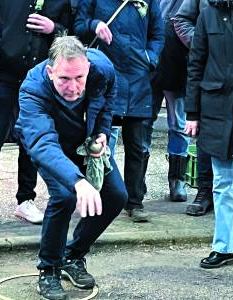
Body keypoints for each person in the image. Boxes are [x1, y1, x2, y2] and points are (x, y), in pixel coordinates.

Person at [15, 35, 128, 300]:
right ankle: (49, 269)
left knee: (116, 196)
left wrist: (101, 131)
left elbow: (108, 100)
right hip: (51, 147)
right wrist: (78, 182)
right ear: (50, 71)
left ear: (87, 68)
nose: (74, 87)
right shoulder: (32, 89)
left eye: (79, 78)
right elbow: (42, 142)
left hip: (85, 142)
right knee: (64, 197)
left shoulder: (103, 69)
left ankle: (73, 255)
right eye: (65, 79)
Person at [0, 0, 72, 226]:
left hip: (38, 78)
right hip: (3, 74)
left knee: (31, 139)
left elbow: (71, 30)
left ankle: (25, 200)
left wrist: (53, 29)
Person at [184, 0, 233, 281]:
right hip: (215, 111)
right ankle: (224, 248)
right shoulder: (208, 15)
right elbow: (195, 63)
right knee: (221, 184)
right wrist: (192, 113)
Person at [75, 0, 163, 222]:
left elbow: (158, 35)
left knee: (138, 146)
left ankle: (135, 201)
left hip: (138, 78)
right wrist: (94, 24)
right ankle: (101, 197)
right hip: (106, 77)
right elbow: (78, 26)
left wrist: (149, 58)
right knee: (97, 143)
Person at [173, 0, 214, 216]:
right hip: (208, 69)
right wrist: (203, 42)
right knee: (205, 133)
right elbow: (181, 19)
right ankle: (205, 191)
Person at [149, 0, 190, 203]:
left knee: (179, 124)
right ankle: (137, 183)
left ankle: (177, 180)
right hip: (149, 64)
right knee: (143, 122)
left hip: (178, 63)